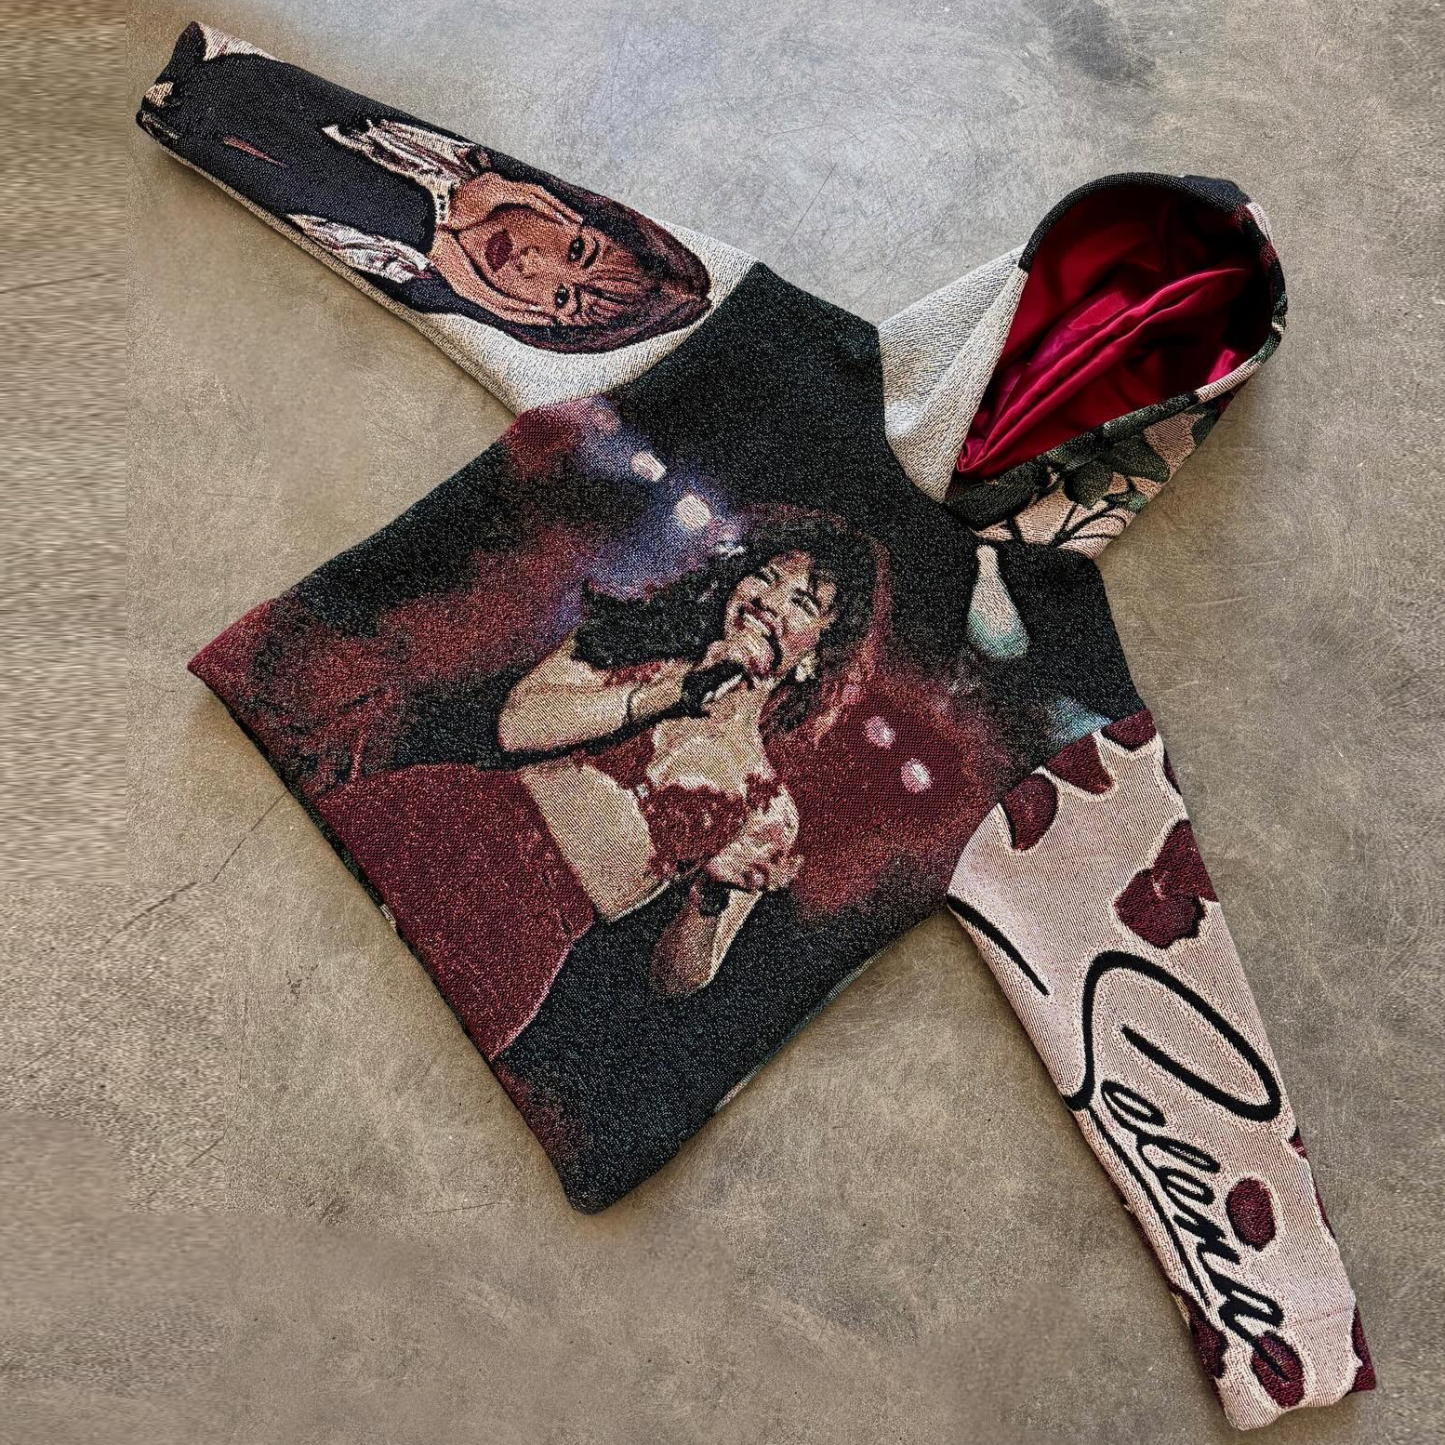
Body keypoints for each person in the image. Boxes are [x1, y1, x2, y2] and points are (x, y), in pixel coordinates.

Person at [315, 515, 881, 1058]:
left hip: (519, 940)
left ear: (815, 658)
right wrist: (673, 691)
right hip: (446, 828)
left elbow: (676, 979)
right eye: (765, 576)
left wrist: (711, 895)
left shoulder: (769, 812)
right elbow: (517, 727)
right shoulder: (631, 642)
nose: (770, 601)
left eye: (802, 604)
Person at [137, 23, 712, 353]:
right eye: (577, 249)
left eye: (561, 299)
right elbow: (262, 95)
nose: (534, 263)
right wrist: (460, 196)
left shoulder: (421, 277)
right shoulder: (466, 164)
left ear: (535, 320)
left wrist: (437, 235)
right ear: (567, 209)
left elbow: (280, 165)